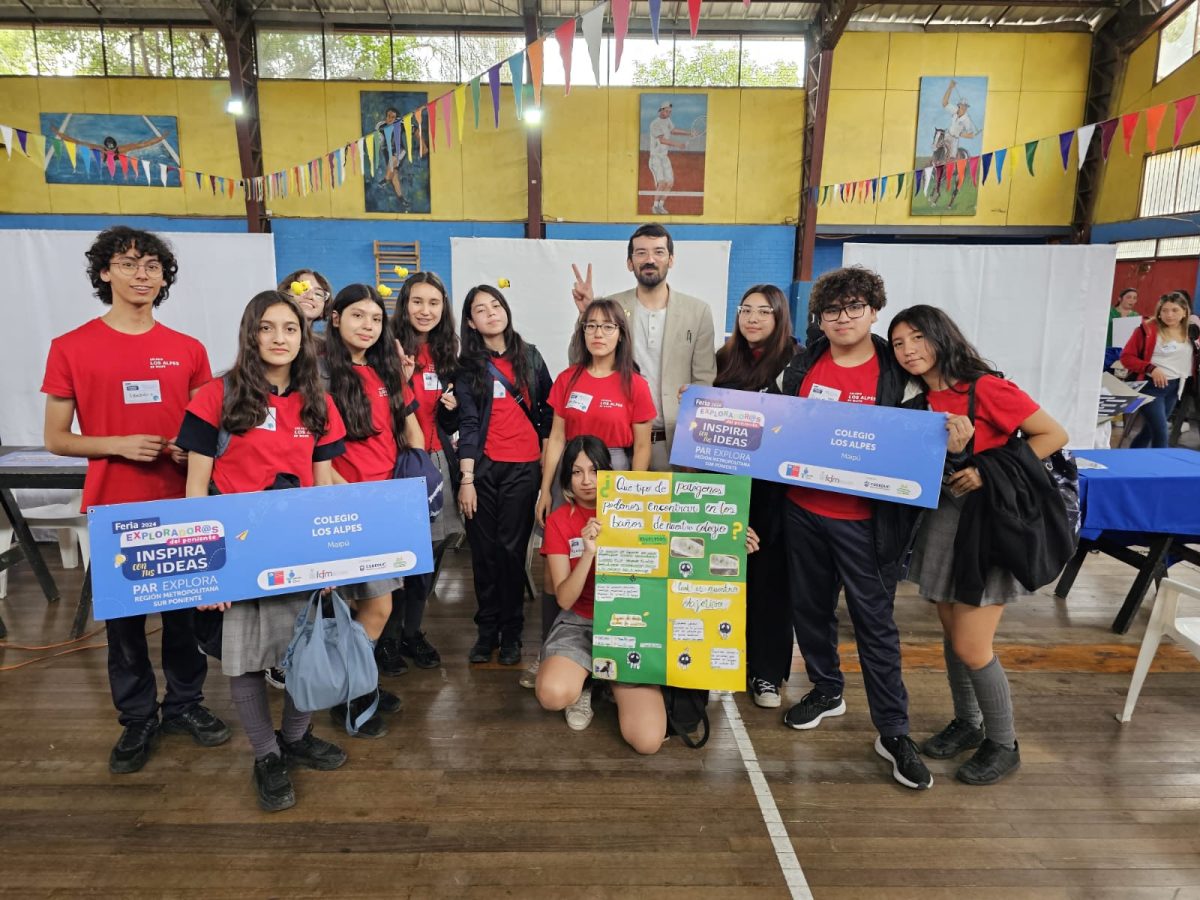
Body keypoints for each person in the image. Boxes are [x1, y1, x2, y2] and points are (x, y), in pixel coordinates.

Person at [42, 225, 230, 775]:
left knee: (184, 616)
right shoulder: (71, 348)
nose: (141, 274)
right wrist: (118, 444)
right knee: (125, 625)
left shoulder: (187, 350)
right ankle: (137, 719)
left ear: (164, 277)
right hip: (115, 507)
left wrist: (184, 453)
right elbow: (57, 437)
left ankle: (185, 705)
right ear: (104, 273)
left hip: (180, 502)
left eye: (151, 266)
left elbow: (206, 432)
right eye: (127, 264)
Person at [177, 290, 348, 812]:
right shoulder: (216, 395)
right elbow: (195, 488)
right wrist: (210, 573)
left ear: (304, 337)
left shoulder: (318, 399)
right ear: (251, 334)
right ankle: (266, 754)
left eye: (291, 329)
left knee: (304, 650)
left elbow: (324, 485)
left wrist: (331, 556)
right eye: (268, 328)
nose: (280, 338)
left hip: (298, 545)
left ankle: (296, 738)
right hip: (239, 550)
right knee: (247, 660)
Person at [889, 304, 1068, 785]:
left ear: (941, 337)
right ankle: (968, 723)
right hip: (943, 522)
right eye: (899, 343)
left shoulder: (986, 388)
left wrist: (987, 469)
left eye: (917, 339)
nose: (908, 351)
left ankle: (1003, 742)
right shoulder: (918, 400)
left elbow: (1053, 433)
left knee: (973, 645)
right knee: (953, 635)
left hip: (987, 528)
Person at [777, 266, 932, 791]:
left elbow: (922, 441)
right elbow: (772, 422)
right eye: (832, 310)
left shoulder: (901, 372)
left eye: (854, 308)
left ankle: (893, 730)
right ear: (819, 317)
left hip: (869, 523)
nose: (843, 319)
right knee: (810, 608)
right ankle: (826, 688)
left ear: (873, 311)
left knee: (874, 625)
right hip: (802, 509)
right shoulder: (801, 366)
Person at [523, 299, 655, 689]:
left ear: (620, 335)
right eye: (591, 326)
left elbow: (643, 446)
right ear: (582, 333)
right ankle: (552, 649)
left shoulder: (635, 383)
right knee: (556, 568)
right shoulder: (568, 378)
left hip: (613, 475)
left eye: (607, 327)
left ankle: (610, 648)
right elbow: (558, 437)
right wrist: (545, 489)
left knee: (609, 562)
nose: (598, 333)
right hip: (571, 473)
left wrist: (628, 494)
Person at [324, 284, 425, 737]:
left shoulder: (384, 370)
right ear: (334, 318)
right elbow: (318, 456)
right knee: (370, 608)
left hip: (388, 503)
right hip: (348, 505)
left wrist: (415, 475)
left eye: (375, 319)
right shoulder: (322, 374)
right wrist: (354, 501)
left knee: (377, 606)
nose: (368, 326)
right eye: (357, 316)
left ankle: (359, 683)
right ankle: (348, 696)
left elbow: (413, 432)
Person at [535, 436, 668, 751]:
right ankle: (586, 682)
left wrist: (732, 543)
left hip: (630, 626)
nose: (586, 481)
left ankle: (609, 681)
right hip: (579, 621)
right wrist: (588, 553)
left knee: (648, 742)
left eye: (594, 471)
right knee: (552, 693)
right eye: (577, 472)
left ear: (608, 471)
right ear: (566, 477)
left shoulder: (638, 510)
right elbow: (564, 599)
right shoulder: (558, 522)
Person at [456, 285, 553, 666]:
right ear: (471, 322)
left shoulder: (529, 356)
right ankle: (486, 631)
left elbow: (546, 409)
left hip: (524, 466)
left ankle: (511, 632)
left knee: (512, 552)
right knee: (483, 553)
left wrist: (546, 454)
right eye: (481, 309)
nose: (492, 313)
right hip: (482, 469)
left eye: (496, 305)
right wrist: (466, 478)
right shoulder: (467, 367)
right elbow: (466, 422)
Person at [570, 224, 717, 470]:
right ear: (630, 262)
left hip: (670, 442)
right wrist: (585, 315)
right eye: (641, 253)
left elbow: (704, 379)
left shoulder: (697, 312)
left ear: (671, 259)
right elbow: (578, 362)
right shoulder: (612, 306)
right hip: (616, 443)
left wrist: (692, 443)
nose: (650, 259)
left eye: (658, 252)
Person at [714, 284, 798, 709]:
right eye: (745, 309)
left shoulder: (797, 362)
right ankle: (722, 662)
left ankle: (767, 673)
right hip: (729, 484)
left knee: (771, 580)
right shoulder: (724, 359)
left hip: (777, 491)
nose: (752, 318)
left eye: (764, 312)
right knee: (724, 573)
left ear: (780, 316)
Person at [383, 271, 463, 674]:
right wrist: (403, 378)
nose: (426, 310)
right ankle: (389, 637)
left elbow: (452, 418)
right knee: (401, 558)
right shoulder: (386, 347)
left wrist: (454, 411)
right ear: (404, 304)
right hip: (399, 463)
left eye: (434, 303)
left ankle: (412, 632)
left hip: (438, 463)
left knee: (431, 556)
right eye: (418, 302)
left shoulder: (449, 351)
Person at [1120, 291, 1197, 448]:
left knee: (1150, 431)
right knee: (1161, 432)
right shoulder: (1146, 330)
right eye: (1165, 310)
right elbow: (1126, 357)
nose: (1169, 315)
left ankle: (1131, 461)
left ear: (1184, 311)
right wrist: (1151, 368)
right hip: (1151, 386)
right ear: (1159, 312)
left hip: (1176, 387)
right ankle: (1162, 469)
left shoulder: (1192, 331)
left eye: (1175, 310)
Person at [647, 100, 695, 215]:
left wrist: (689, 133)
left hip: (664, 157)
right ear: (661, 110)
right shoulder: (655, 124)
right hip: (656, 158)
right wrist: (678, 145)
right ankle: (654, 207)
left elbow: (673, 130)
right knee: (662, 182)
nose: (669, 113)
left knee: (669, 183)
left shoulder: (667, 120)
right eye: (667, 111)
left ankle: (660, 206)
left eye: (670, 112)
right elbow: (662, 140)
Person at [277, 269, 333, 334]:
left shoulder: (326, 343)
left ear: (323, 310)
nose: (310, 296)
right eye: (303, 288)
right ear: (285, 293)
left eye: (318, 294)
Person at [940, 80, 977, 159]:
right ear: (959, 105)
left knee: (951, 158)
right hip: (947, 135)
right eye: (962, 105)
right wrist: (950, 88)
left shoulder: (967, 120)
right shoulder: (955, 110)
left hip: (954, 140)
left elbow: (972, 135)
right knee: (937, 149)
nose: (964, 108)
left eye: (966, 106)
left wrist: (961, 134)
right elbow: (944, 103)